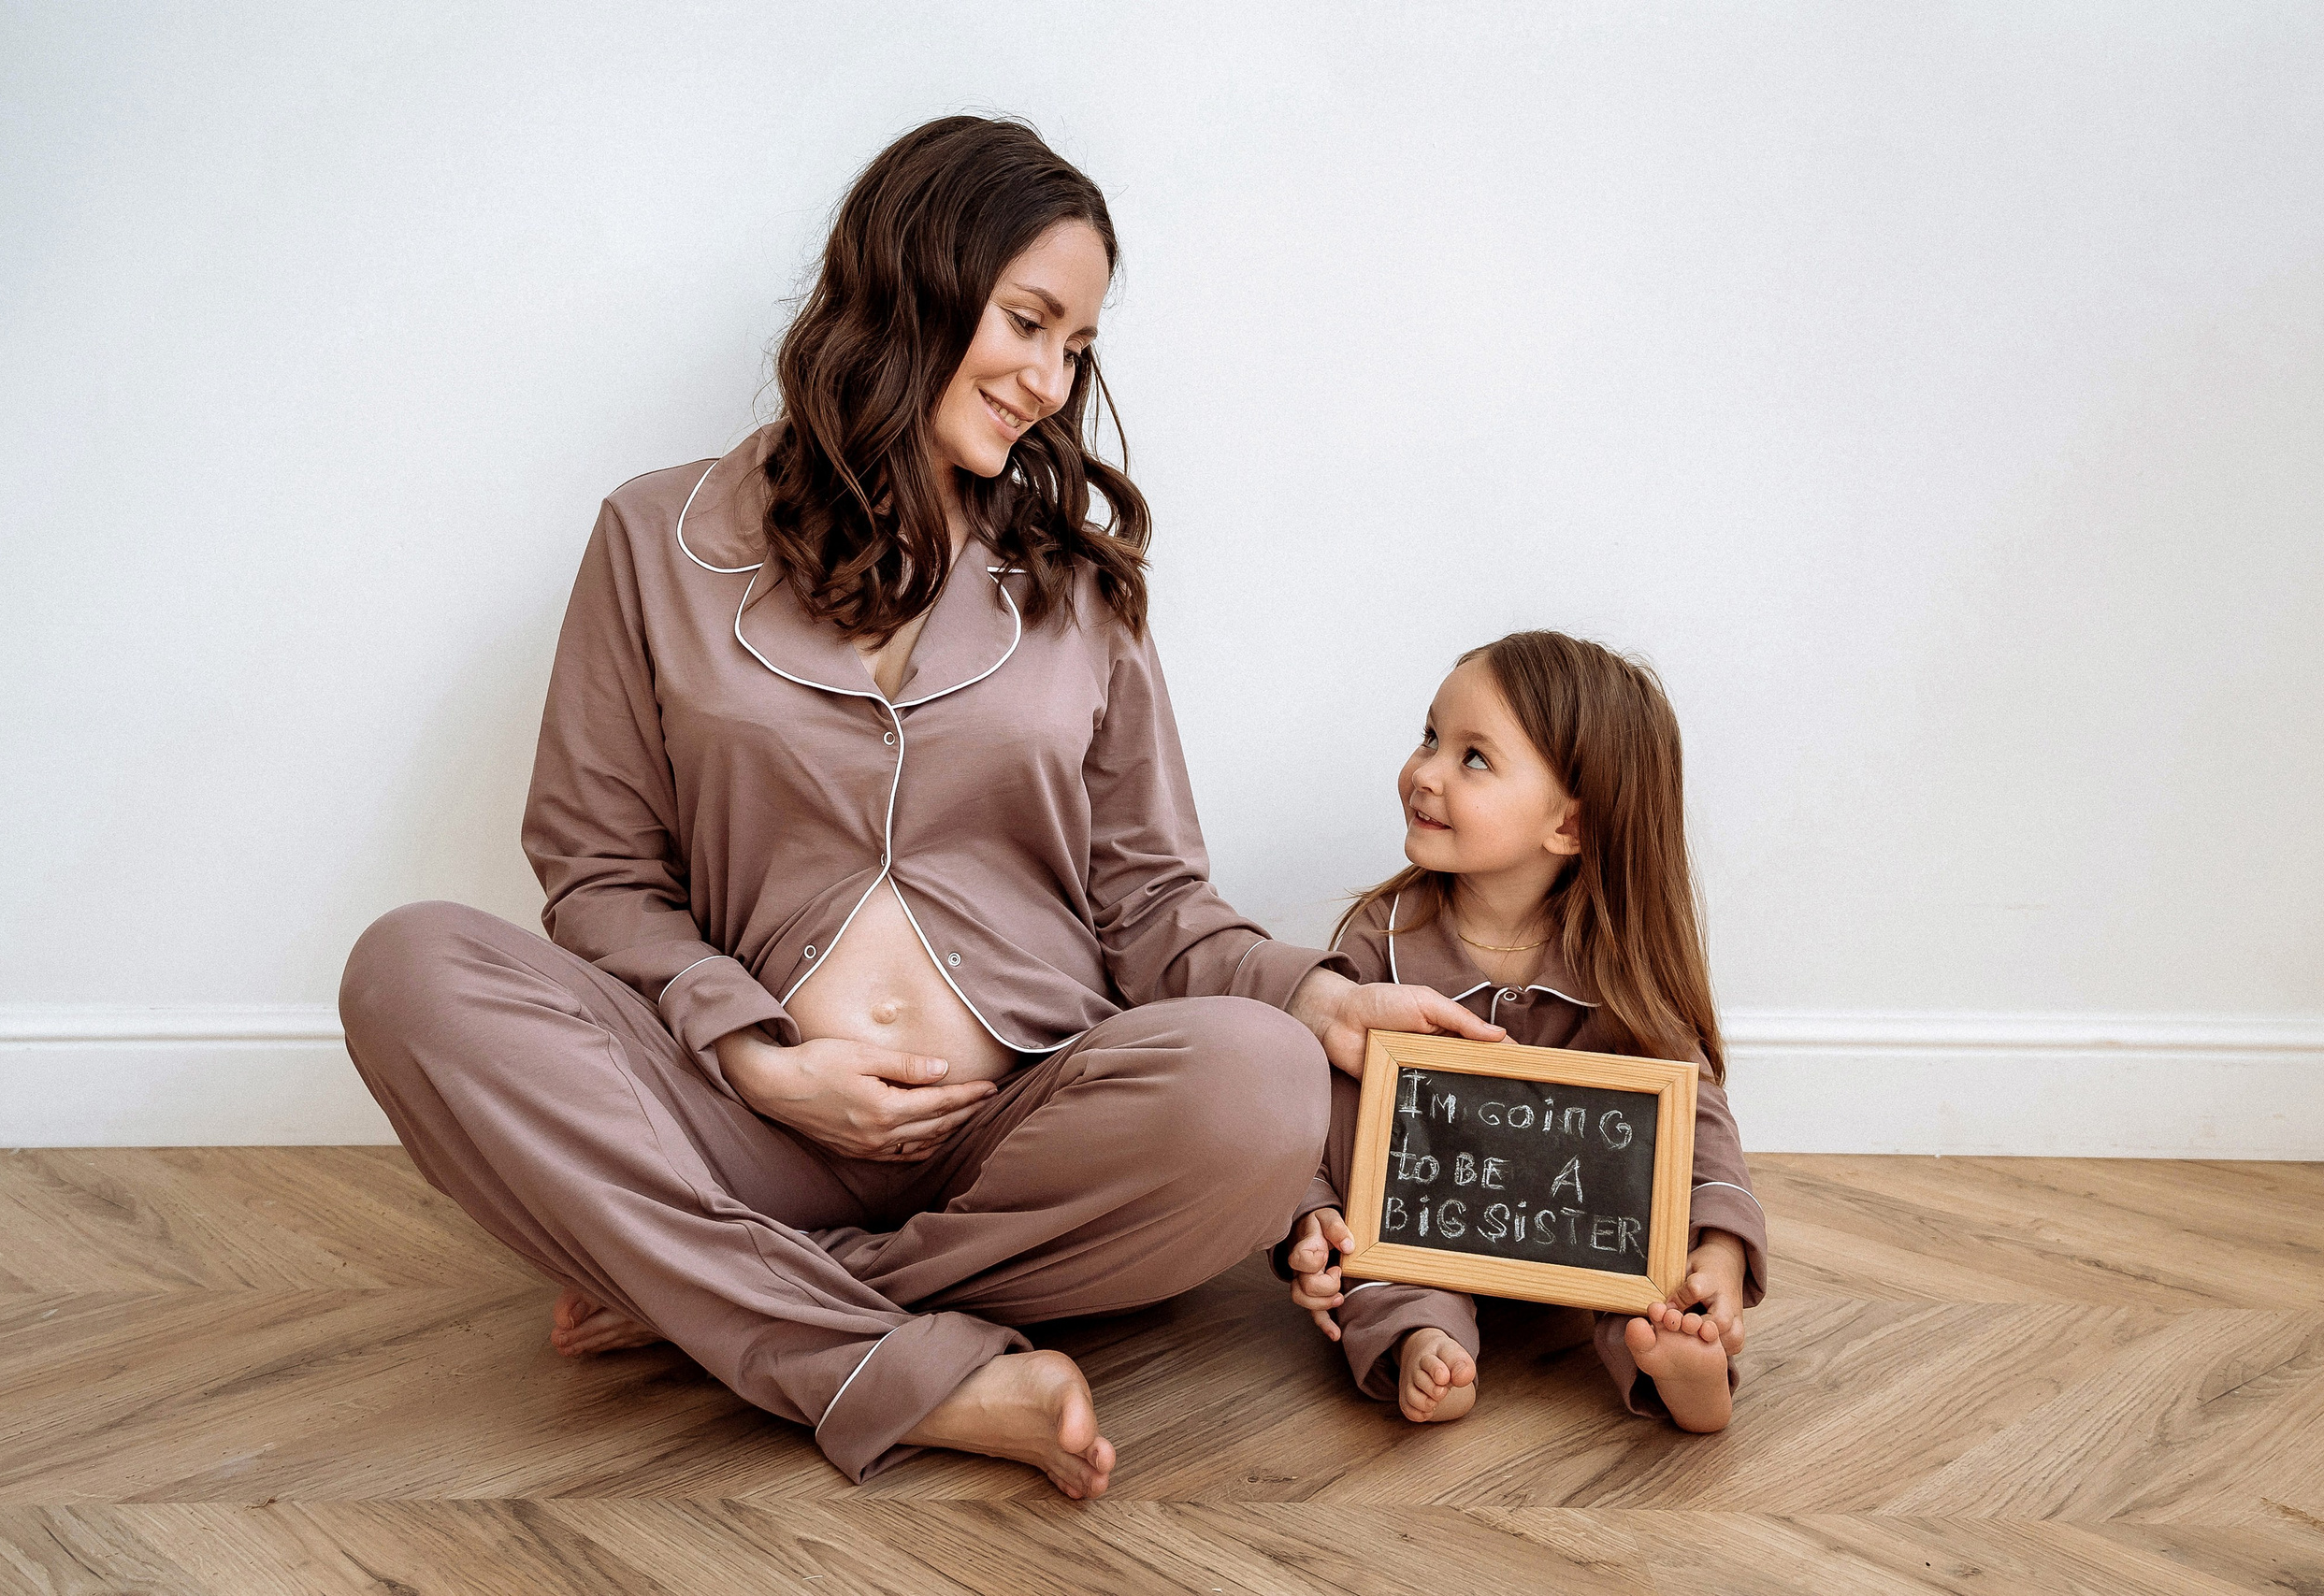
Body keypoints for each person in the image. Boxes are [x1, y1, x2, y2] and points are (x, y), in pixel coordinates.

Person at [337, 115, 1502, 1498]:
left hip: (1019, 1137)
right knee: (408, 965)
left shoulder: (1080, 586)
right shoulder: (655, 538)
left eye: (1076, 346)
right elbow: (597, 877)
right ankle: (901, 1365)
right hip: (737, 1118)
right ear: (917, 276)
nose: (1050, 377)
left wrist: (1311, 995)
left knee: (1260, 1081)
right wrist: (756, 1053)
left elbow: (1150, 899)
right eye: (1028, 320)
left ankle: (720, 1301)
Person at [1276, 630, 1768, 1431]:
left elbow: (1693, 1116)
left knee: (1655, 1278)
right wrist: (1312, 1212)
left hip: (1583, 1244)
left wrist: (1721, 1246)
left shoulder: (1616, 965)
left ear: (1569, 824)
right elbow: (1309, 1093)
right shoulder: (1383, 937)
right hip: (1419, 1231)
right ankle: (1425, 1339)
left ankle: (1681, 1368)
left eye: (1473, 757)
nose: (1424, 772)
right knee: (1378, 1267)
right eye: (1431, 735)